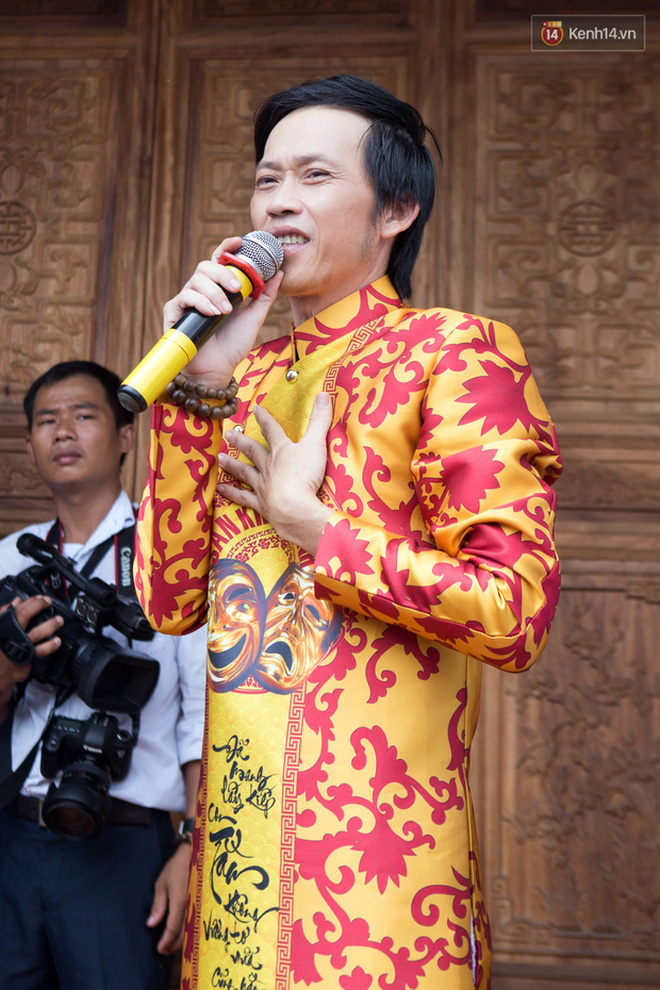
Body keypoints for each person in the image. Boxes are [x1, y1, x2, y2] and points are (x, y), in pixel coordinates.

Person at [135, 75, 562, 990]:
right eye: (267, 179)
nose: (279, 200)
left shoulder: (453, 352)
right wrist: (199, 388)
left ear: (396, 210)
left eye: (315, 176)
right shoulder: (237, 377)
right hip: (236, 881)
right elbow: (168, 602)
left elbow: (512, 612)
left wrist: (315, 527)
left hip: (380, 882)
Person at [0, 361, 207, 990]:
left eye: (83, 415)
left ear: (124, 436)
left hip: (124, 846)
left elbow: (202, 714)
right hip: (14, 838)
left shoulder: (169, 555)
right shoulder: (10, 559)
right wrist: (7, 669)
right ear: (30, 446)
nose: (63, 431)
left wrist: (192, 848)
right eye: (46, 421)